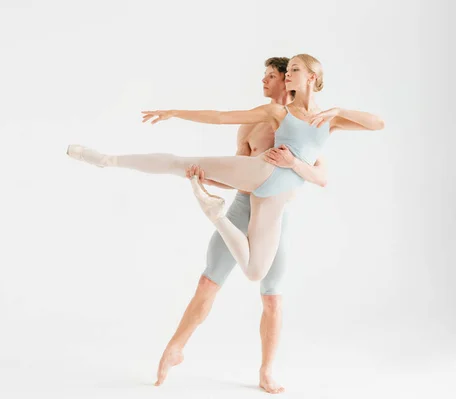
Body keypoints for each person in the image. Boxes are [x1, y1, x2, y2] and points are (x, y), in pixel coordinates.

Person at [67, 53, 384, 282]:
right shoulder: (276, 111)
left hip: (279, 194)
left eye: (295, 70)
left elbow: (377, 124)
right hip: (262, 171)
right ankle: (106, 160)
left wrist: (337, 110)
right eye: (287, 71)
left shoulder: (332, 119)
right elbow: (221, 116)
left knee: (254, 272)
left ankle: (214, 214)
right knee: (181, 164)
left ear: (312, 77)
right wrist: (175, 112)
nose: (288, 74)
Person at [153, 57, 327, 394]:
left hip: (275, 216)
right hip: (241, 208)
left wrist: (293, 163)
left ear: (288, 82)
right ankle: (175, 349)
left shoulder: (303, 124)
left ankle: (266, 371)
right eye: (268, 75)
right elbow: (233, 161)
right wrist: (207, 179)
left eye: (273, 76)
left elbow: (321, 175)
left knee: (272, 298)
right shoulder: (252, 124)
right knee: (208, 281)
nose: (266, 81)